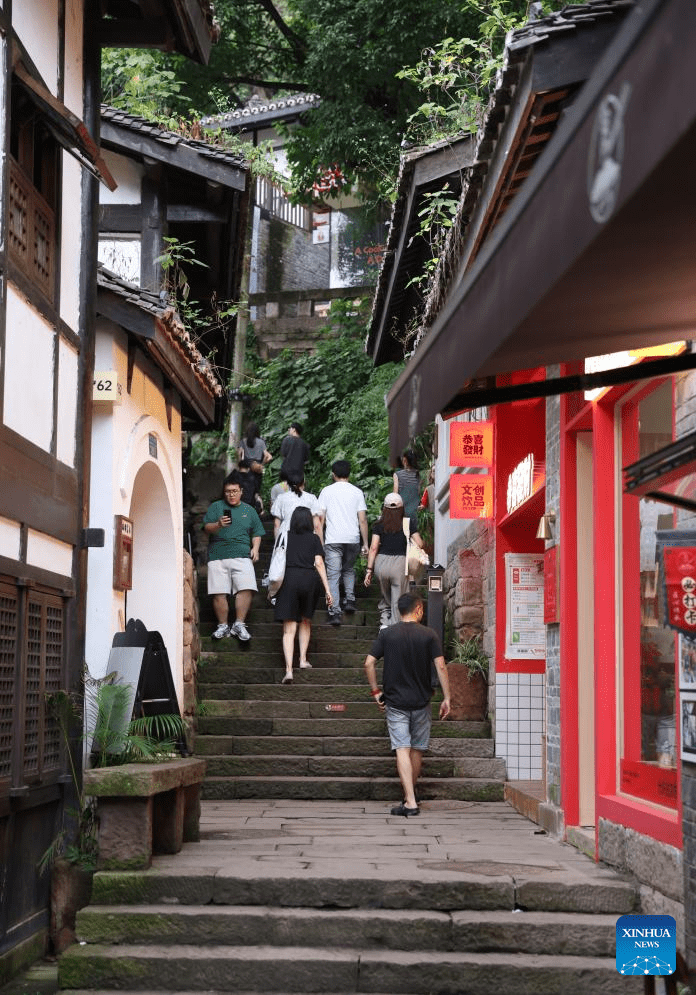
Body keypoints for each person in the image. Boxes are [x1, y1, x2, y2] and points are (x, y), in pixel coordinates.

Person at [364, 592, 450, 817]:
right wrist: (448, 698)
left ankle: (409, 799)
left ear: (398, 611)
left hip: (395, 702)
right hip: (422, 701)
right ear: (419, 609)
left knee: (401, 747)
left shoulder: (387, 635)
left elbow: (369, 664)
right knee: (417, 748)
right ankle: (409, 798)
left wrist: (376, 692)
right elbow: (441, 667)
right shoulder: (429, 635)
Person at [203, 475, 265, 642]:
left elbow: (257, 532)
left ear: (241, 492)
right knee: (218, 591)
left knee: (247, 587)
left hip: (242, 555)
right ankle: (223, 625)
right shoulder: (216, 507)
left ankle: (239, 624)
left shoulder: (249, 510)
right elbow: (206, 528)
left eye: (234, 491)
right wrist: (218, 525)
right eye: (228, 492)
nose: (231, 495)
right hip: (217, 555)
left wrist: (256, 549)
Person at [274, 506, 333, 684]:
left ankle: (289, 670)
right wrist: (328, 589)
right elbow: (319, 563)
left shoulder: (285, 536)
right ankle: (302, 660)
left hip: (289, 579)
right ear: (309, 520)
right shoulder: (314, 539)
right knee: (306, 620)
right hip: (309, 580)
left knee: (289, 628)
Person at [317, 459, 368, 627]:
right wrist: (365, 543)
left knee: (333, 574)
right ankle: (350, 599)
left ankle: (335, 612)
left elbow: (320, 519)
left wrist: (320, 541)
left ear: (333, 474)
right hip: (352, 538)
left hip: (333, 539)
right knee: (348, 568)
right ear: (349, 474)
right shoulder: (357, 492)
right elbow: (362, 520)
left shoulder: (326, 491)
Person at [364, 492, 424, 629]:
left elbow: (373, 548)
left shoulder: (378, 524)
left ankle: (384, 623)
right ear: (402, 508)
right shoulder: (407, 523)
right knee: (398, 599)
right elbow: (419, 543)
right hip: (399, 564)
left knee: (385, 597)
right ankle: (394, 628)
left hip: (381, 564)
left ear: (384, 508)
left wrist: (369, 570)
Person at [271, 473, 322, 538]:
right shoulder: (311, 498)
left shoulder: (281, 498)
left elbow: (276, 524)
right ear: (303, 482)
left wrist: (277, 543)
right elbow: (317, 525)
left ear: (288, 483)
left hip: (286, 537)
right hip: (307, 538)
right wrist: (321, 545)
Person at [238, 422, 272, 493]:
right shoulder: (261, 442)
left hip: (247, 467)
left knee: (245, 491)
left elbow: (239, 455)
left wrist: (243, 461)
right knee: (256, 493)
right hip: (258, 469)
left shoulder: (243, 441)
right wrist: (262, 464)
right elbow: (268, 457)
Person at [393, 449, 421, 520]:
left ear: (405, 460)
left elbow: (395, 494)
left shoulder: (397, 475)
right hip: (416, 511)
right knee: (414, 530)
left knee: (406, 530)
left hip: (403, 511)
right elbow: (419, 492)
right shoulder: (418, 474)